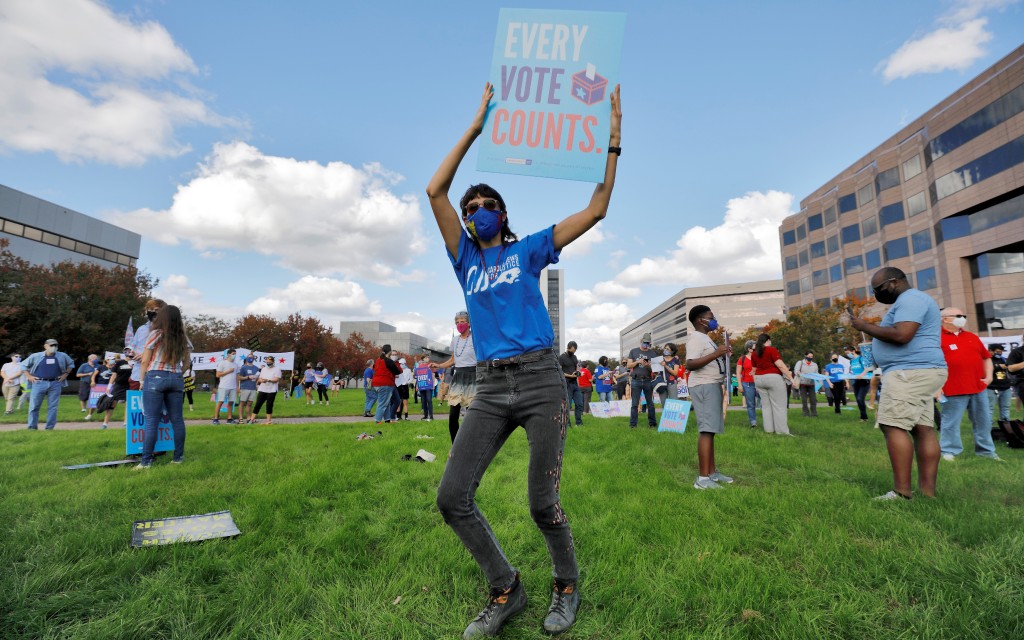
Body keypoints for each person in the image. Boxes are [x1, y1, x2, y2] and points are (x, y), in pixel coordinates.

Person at [427, 81, 620, 638]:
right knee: (451, 498)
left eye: (488, 205)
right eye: (472, 207)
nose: (479, 210)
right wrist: (476, 127)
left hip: (540, 381)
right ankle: (506, 588)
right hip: (489, 388)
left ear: (503, 214)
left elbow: (599, 207)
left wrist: (613, 140)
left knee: (542, 503)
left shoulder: (528, 249)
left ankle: (566, 585)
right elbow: (434, 190)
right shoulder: (463, 258)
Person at [848, 267, 947, 500]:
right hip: (920, 370)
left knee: (893, 425)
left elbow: (902, 334)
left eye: (878, 289)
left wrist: (864, 327)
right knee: (922, 429)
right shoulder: (912, 301)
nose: (876, 295)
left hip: (909, 372)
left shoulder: (911, 299)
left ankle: (902, 493)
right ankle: (927, 494)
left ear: (894, 282)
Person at [937, 307, 998, 461]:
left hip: (978, 387)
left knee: (983, 422)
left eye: (964, 315)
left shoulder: (972, 337)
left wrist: (989, 376)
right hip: (952, 388)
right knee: (950, 422)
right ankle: (949, 451)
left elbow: (986, 357)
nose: (963, 318)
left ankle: (986, 452)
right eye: (958, 315)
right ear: (945, 319)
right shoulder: (935, 338)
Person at [135, 305, 191, 469]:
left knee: (152, 421)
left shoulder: (156, 333)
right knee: (177, 421)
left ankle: (146, 462)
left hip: (155, 377)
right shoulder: (183, 337)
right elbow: (187, 362)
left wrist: (142, 380)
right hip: (176, 378)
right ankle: (178, 458)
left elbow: (145, 360)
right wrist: (178, 372)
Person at [685, 305, 734, 490]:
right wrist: (716, 354)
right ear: (700, 320)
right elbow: (689, 364)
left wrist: (723, 356)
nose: (714, 320)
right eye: (710, 317)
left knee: (711, 430)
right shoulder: (696, 338)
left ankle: (711, 473)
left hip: (712, 384)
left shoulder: (706, 339)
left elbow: (711, 359)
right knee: (706, 430)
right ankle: (702, 479)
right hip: (703, 385)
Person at [433, 311, 477, 442]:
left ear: (469, 324)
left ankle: (472, 443)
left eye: (462, 321)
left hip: (473, 377)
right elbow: (453, 360)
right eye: (457, 322)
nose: (459, 324)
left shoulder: (475, 338)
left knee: (471, 414)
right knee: (453, 414)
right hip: (458, 377)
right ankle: (455, 445)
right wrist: (439, 365)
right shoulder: (455, 340)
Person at [22, 339, 75, 431]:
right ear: (45, 346)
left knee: (53, 407)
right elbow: (23, 365)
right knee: (34, 406)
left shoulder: (62, 356)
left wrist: (65, 374)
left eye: (55, 345)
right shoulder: (36, 356)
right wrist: (29, 376)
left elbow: (71, 364)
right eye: (51, 345)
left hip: (55, 383)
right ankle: (32, 428)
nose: (53, 347)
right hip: (38, 383)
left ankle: (49, 428)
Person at [750, 333, 795, 435]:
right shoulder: (771, 350)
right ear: (768, 341)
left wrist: (756, 383)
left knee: (766, 406)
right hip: (773, 378)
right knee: (779, 406)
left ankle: (769, 430)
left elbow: (753, 370)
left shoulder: (754, 353)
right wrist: (791, 378)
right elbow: (781, 366)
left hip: (759, 379)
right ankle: (782, 431)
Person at [129, 298, 167, 391]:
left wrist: (146, 355)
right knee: (133, 405)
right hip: (137, 374)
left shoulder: (168, 330)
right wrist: (130, 352)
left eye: (156, 310)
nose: (152, 312)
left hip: (157, 374)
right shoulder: (141, 329)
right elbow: (132, 346)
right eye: (150, 309)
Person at [628, 333, 657, 428]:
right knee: (634, 404)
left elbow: (654, 370)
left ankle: (652, 424)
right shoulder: (633, 351)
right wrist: (637, 362)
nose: (646, 345)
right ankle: (633, 425)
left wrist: (648, 365)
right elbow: (629, 365)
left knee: (650, 403)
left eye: (648, 343)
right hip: (636, 380)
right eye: (644, 342)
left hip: (648, 380)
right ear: (641, 341)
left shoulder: (652, 353)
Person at [371, 345, 402, 424]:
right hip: (385, 383)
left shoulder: (378, 360)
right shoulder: (388, 361)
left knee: (386, 402)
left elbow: (375, 369)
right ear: (390, 352)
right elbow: (397, 371)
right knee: (382, 403)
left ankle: (387, 419)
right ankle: (377, 421)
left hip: (376, 384)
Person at [250, 355, 281, 425]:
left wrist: (268, 380)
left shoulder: (277, 369)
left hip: (272, 390)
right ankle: (252, 419)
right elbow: (259, 378)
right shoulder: (264, 369)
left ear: (273, 362)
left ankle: (268, 420)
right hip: (263, 389)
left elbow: (276, 379)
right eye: (267, 362)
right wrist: (261, 381)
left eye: (270, 362)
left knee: (269, 405)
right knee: (258, 404)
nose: (268, 363)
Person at [559, 341, 584, 426]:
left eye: (575, 351)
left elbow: (577, 367)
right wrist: (570, 375)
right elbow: (560, 371)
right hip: (566, 384)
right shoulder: (561, 357)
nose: (573, 352)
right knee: (568, 405)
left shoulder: (574, 357)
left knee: (579, 403)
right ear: (568, 348)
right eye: (572, 350)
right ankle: (567, 424)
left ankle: (579, 423)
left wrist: (578, 372)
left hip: (575, 384)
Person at [212, 348, 239, 425]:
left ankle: (229, 419)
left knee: (231, 403)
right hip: (224, 386)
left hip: (233, 387)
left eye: (235, 354)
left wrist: (237, 386)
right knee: (220, 402)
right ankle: (216, 419)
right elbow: (218, 375)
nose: (234, 355)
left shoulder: (236, 365)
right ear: (228, 354)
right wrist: (228, 371)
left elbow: (237, 376)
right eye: (233, 353)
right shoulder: (222, 363)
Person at [987, 344, 1012, 426]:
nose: (999, 353)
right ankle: (988, 429)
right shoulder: (986, 360)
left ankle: (1006, 429)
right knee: (990, 409)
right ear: (990, 351)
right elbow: (989, 368)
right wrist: (999, 366)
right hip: (991, 388)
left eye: (1001, 352)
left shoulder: (1004, 359)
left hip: (1006, 388)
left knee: (1005, 408)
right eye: (997, 352)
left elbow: (1010, 366)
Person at [844, 345, 871, 422]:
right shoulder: (851, 361)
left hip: (864, 381)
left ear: (853, 351)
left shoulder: (861, 359)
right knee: (858, 400)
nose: (848, 355)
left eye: (848, 353)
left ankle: (864, 417)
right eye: (846, 354)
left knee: (860, 398)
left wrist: (861, 375)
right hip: (856, 382)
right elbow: (852, 371)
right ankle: (863, 417)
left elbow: (867, 369)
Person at [793, 351, 819, 418]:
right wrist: (800, 373)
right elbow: (796, 371)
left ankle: (814, 413)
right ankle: (805, 413)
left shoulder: (815, 364)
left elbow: (816, 373)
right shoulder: (800, 363)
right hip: (802, 384)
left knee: (813, 399)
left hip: (811, 384)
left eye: (812, 356)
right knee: (804, 400)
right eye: (809, 356)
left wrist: (820, 377)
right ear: (805, 356)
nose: (810, 357)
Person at [237, 355, 260, 422]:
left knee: (249, 404)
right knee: (242, 403)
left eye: (252, 357)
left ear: (254, 359)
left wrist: (257, 381)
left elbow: (257, 377)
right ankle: (240, 418)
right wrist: (248, 377)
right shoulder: (243, 367)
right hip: (244, 387)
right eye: (249, 357)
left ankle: (248, 418)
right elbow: (239, 377)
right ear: (246, 359)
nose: (250, 358)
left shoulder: (256, 368)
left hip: (253, 388)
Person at [414, 354, 435, 421]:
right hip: (422, 385)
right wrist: (417, 385)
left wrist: (433, 384)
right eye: (426, 357)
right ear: (423, 359)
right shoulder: (420, 366)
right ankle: (425, 416)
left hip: (428, 385)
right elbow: (418, 376)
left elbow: (433, 374)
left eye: (428, 357)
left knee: (429, 400)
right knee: (423, 401)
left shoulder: (430, 366)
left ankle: (431, 416)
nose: (427, 358)